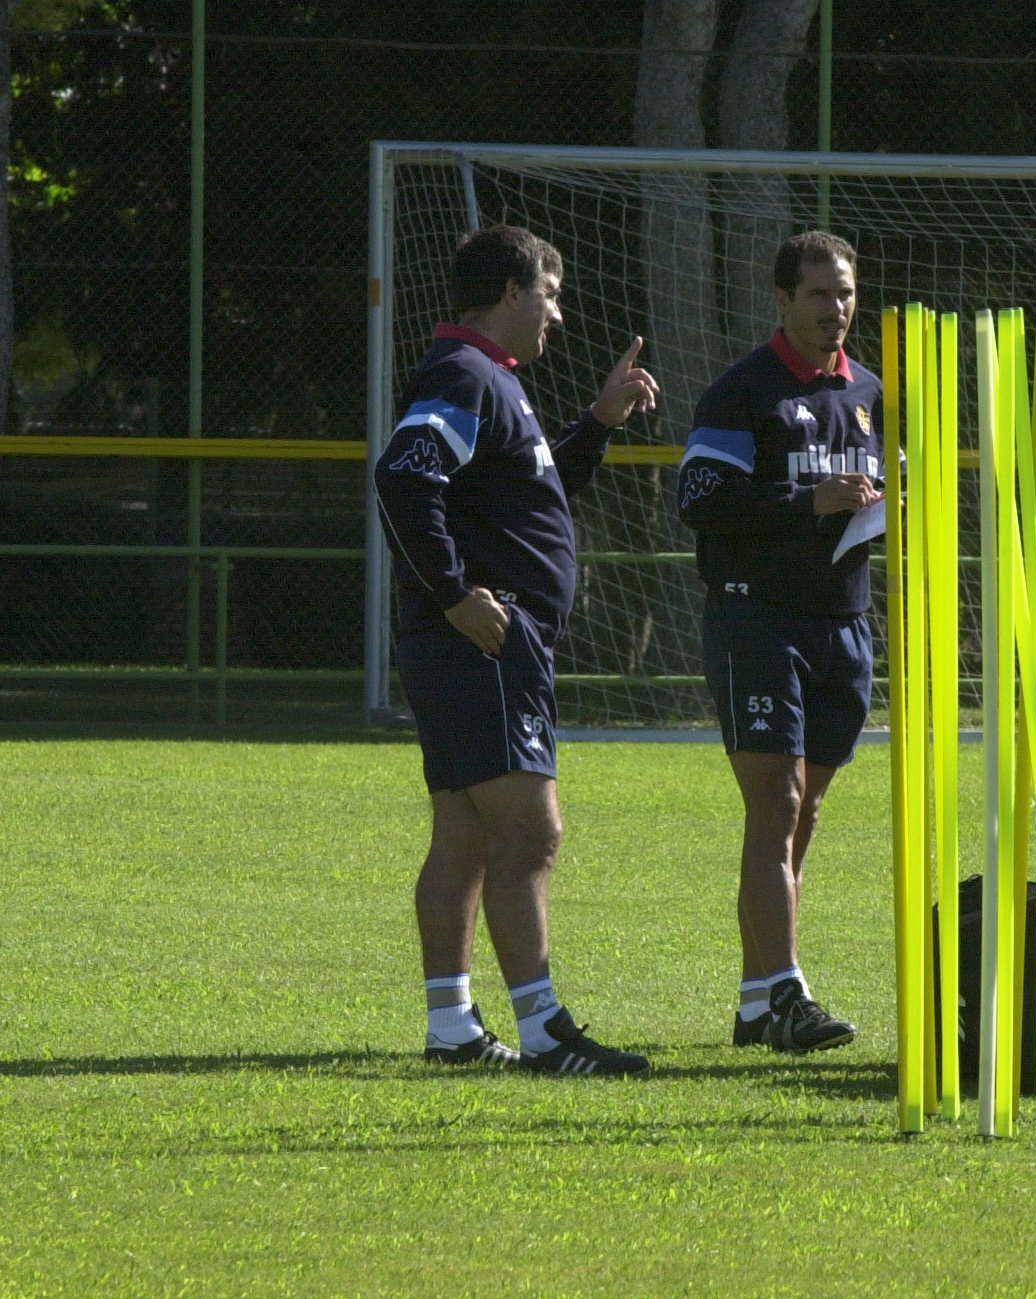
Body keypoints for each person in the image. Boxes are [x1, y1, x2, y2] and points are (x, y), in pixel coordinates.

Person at [374, 225, 660, 1075]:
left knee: (463, 836)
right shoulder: (464, 376)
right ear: (510, 292)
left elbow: (526, 492)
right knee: (532, 834)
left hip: (485, 644)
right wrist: (457, 596)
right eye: (551, 294)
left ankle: (452, 1027)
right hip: (484, 644)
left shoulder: (492, 382)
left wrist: (598, 424)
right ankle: (544, 1031)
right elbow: (403, 475)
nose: (560, 315)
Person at [677, 230, 883, 1054]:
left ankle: (758, 999)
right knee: (777, 803)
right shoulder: (743, 392)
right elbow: (700, 496)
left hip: (844, 622)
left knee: (806, 814)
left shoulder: (869, 390)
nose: (835, 309)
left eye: (845, 293)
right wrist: (808, 501)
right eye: (819, 294)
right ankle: (787, 993)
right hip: (757, 618)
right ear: (782, 300)